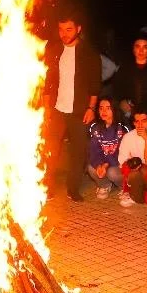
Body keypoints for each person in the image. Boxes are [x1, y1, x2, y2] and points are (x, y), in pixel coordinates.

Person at [43, 13, 101, 201]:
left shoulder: (89, 53)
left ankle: (73, 188)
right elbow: (48, 80)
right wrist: (46, 107)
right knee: (51, 149)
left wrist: (91, 108)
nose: (64, 34)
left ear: (78, 29)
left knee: (78, 151)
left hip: (79, 110)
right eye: (61, 29)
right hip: (57, 109)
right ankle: (45, 186)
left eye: (69, 29)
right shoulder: (54, 50)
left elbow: (95, 84)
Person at [110, 33, 147, 123]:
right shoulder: (124, 68)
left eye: (145, 47)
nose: (141, 50)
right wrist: (121, 101)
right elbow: (117, 89)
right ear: (133, 49)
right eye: (137, 46)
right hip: (128, 115)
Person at [86, 98, 128, 200]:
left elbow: (123, 153)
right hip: (105, 162)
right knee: (91, 168)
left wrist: (106, 164)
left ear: (114, 110)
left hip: (120, 163)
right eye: (101, 108)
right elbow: (94, 150)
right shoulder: (94, 127)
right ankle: (105, 185)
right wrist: (99, 164)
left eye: (108, 108)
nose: (103, 111)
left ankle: (125, 188)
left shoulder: (123, 127)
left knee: (112, 172)